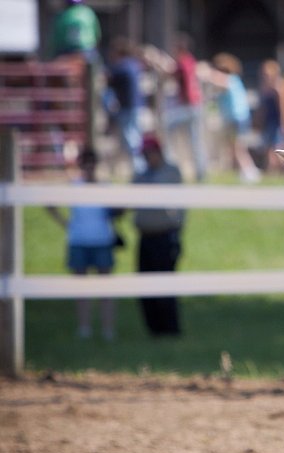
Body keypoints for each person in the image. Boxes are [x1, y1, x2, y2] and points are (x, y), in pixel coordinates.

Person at [47, 148, 119, 341]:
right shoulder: (74, 186)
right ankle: (84, 328)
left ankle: (108, 329)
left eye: (91, 162)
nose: (89, 167)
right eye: (85, 162)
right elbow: (50, 204)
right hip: (79, 241)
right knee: (81, 290)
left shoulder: (105, 187)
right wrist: (66, 224)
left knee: (106, 289)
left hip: (102, 241)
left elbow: (118, 210)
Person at [133, 135, 184, 337]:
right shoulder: (142, 174)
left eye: (148, 154)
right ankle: (153, 329)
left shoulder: (170, 172)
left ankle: (170, 329)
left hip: (164, 236)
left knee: (166, 286)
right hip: (145, 236)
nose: (146, 158)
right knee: (145, 285)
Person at [143, 34, 208, 182]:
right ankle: (200, 172)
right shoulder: (190, 61)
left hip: (188, 106)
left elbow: (169, 73)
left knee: (166, 126)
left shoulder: (183, 62)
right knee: (195, 141)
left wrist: (156, 61)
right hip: (195, 106)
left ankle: (169, 163)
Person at [207, 52, 261, 182]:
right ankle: (245, 171)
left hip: (236, 118)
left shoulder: (229, 79)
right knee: (235, 147)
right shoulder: (234, 80)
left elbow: (218, 80)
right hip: (236, 118)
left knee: (238, 147)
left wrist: (207, 72)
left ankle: (250, 172)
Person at [107, 37, 146, 175]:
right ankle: (138, 168)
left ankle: (139, 169)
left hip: (127, 107)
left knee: (130, 140)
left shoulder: (122, 66)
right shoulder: (134, 65)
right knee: (134, 138)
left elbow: (108, 81)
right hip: (136, 106)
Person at [257, 59, 284, 174]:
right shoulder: (265, 87)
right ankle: (271, 171)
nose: (264, 76)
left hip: (277, 122)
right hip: (269, 122)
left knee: (280, 147)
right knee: (269, 148)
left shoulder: (279, 87)